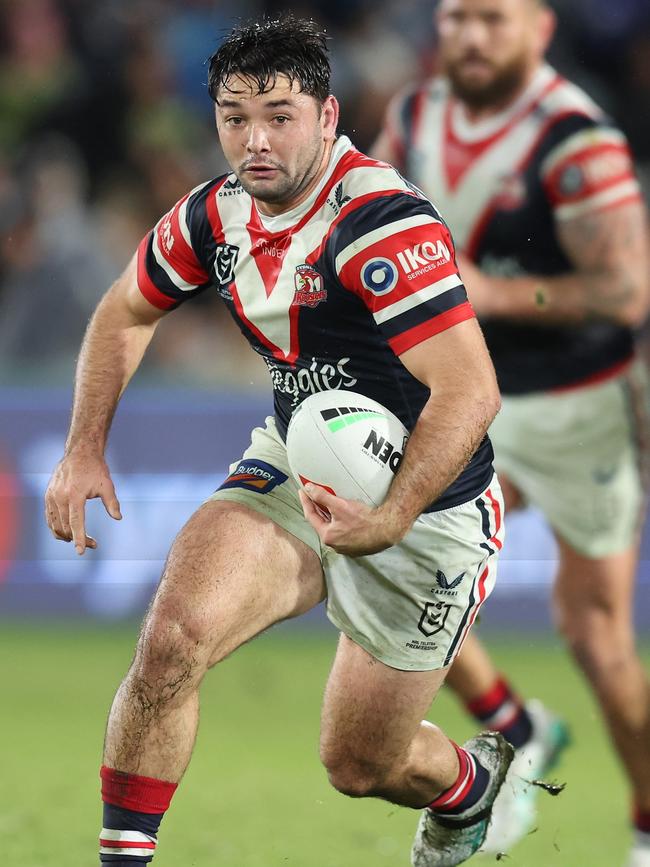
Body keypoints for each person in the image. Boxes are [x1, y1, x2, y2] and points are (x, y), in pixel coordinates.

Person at [44, 15, 515, 867]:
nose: (254, 141)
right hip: (299, 461)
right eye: (234, 117)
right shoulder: (213, 216)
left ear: (328, 117)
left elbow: (472, 390)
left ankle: (466, 787)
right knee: (172, 640)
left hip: (429, 507)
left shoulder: (379, 224)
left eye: (280, 116)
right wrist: (83, 447)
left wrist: (394, 514)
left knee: (360, 763)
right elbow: (125, 309)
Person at [372, 0, 650, 861]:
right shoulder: (414, 115)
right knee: (385, 555)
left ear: (537, 27)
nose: (469, 38)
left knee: (594, 634)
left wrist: (490, 294)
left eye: (491, 19)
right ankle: (515, 724)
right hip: (465, 394)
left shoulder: (576, 142)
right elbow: (364, 219)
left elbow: (626, 292)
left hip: (577, 405)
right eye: (456, 18)